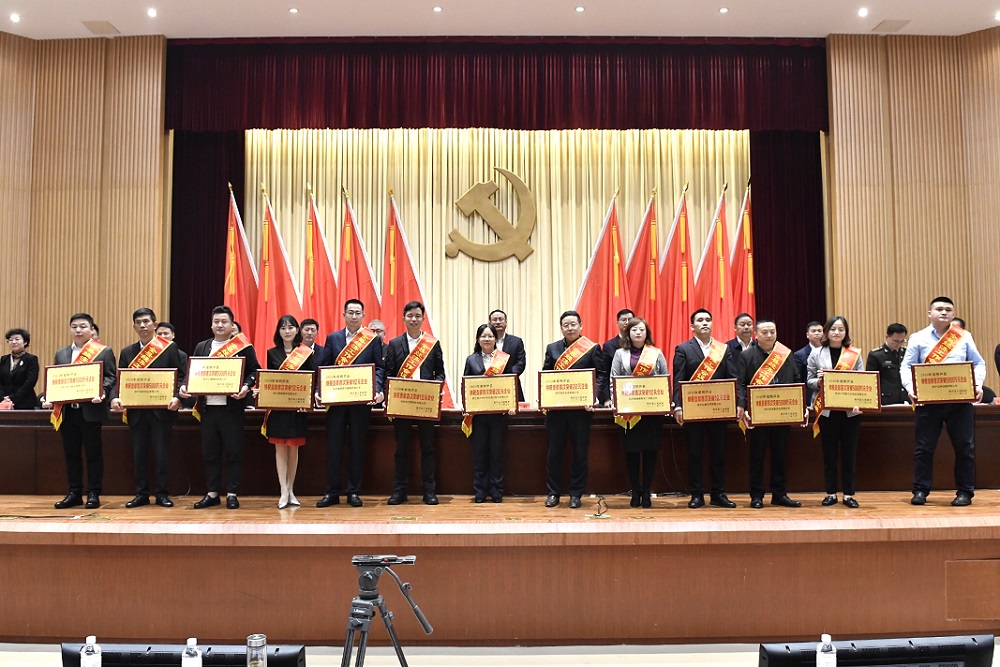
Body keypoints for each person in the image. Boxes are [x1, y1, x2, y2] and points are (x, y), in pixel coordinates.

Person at [901, 296, 985, 506]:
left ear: (953, 314)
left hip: (959, 403)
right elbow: (906, 367)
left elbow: (978, 363)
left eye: (948, 309)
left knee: (965, 448)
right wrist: (911, 389)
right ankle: (920, 490)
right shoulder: (918, 338)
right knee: (924, 448)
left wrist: (977, 385)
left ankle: (965, 492)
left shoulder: (964, 337)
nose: (944, 312)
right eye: (939, 309)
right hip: (928, 403)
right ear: (930, 313)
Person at [180, 305, 259, 510]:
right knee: (211, 453)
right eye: (216, 321)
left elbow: (254, 371)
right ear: (211, 325)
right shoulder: (202, 347)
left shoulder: (243, 347)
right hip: (208, 409)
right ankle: (212, 493)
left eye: (224, 321)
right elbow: (192, 372)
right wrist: (185, 386)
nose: (220, 325)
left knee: (234, 452)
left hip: (232, 409)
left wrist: (245, 387)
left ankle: (232, 493)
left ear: (232, 325)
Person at [110, 308, 186, 508]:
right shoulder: (127, 352)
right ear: (134, 326)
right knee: (139, 455)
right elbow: (120, 380)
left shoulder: (169, 348)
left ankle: (162, 494)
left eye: (146, 321)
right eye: (138, 322)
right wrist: (115, 398)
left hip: (162, 411)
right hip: (137, 412)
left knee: (162, 455)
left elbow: (180, 376)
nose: (142, 325)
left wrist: (177, 397)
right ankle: (141, 494)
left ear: (154, 324)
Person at [41, 313, 117, 510]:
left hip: (91, 410)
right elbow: (56, 379)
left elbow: (110, 377)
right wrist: (47, 395)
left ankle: (93, 493)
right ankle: (74, 493)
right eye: (74, 326)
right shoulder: (61, 353)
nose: (78, 330)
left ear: (91, 329)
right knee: (71, 454)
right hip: (68, 412)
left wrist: (102, 391)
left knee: (93, 454)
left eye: (83, 326)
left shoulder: (104, 351)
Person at [317, 300, 385, 508]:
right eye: (351, 312)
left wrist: (377, 390)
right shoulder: (333, 338)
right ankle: (332, 492)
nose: (354, 316)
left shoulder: (372, 339)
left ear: (363, 316)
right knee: (334, 447)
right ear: (344, 315)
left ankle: (353, 492)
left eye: (358, 313)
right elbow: (324, 367)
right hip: (336, 402)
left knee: (357, 447)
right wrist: (320, 391)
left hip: (360, 403)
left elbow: (379, 368)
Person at [672, 309, 737, 509]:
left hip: (718, 409)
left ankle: (718, 494)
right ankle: (697, 494)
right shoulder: (683, 348)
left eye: (708, 319)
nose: (705, 323)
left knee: (718, 453)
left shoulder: (723, 349)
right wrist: (678, 406)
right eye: (700, 320)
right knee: (695, 454)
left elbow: (732, 378)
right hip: (694, 410)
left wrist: (738, 403)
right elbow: (678, 380)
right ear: (692, 326)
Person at [383, 301, 445, 505]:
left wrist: (434, 388)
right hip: (402, 403)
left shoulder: (432, 343)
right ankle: (399, 491)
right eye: (410, 315)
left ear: (423, 319)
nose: (414, 319)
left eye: (418, 316)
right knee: (401, 449)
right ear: (403, 318)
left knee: (427, 448)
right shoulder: (394, 344)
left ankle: (429, 491)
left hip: (425, 403)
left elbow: (440, 372)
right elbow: (389, 373)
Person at [736, 317, 802, 509]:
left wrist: (800, 406)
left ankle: (779, 494)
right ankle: (756, 495)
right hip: (758, 415)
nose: (769, 335)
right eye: (764, 332)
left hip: (782, 413)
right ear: (756, 335)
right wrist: (743, 407)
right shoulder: (746, 356)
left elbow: (796, 379)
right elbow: (741, 383)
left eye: (772, 332)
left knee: (780, 455)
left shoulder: (785, 354)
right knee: (757, 456)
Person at [542, 310, 605, 509]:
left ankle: (576, 494)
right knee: (554, 453)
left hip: (581, 411)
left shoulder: (592, 348)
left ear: (580, 326)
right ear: (561, 328)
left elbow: (601, 375)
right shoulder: (552, 348)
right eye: (566, 325)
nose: (570, 328)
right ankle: (553, 493)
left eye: (573, 324)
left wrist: (594, 396)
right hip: (557, 411)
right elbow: (546, 375)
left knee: (580, 453)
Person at [806, 316, 864, 508]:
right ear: (826, 331)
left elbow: (862, 380)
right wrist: (819, 381)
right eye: (833, 329)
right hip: (827, 411)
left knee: (849, 454)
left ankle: (849, 494)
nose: (837, 332)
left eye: (841, 329)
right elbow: (809, 381)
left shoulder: (854, 354)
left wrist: (859, 402)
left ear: (846, 332)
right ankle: (830, 493)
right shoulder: (816, 353)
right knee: (829, 453)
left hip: (850, 411)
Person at [611, 317, 668, 508]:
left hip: (651, 412)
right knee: (632, 452)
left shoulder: (656, 353)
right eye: (634, 329)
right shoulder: (620, 353)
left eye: (642, 329)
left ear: (646, 333)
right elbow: (614, 379)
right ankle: (635, 491)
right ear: (628, 333)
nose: (638, 333)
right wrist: (616, 403)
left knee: (651, 452)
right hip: (630, 412)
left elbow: (664, 379)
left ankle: (647, 492)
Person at [262, 315, 316, 509]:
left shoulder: (305, 353)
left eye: (291, 327)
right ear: (278, 331)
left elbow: (311, 379)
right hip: (278, 409)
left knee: (294, 449)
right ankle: (283, 491)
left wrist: (306, 401)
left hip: (297, 409)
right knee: (280, 449)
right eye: (283, 328)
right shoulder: (272, 353)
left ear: (297, 330)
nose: (287, 331)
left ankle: (291, 489)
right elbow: (270, 380)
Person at [463, 323, 516, 503]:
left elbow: (510, 383)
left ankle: (496, 490)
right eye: (483, 336)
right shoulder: (471, 360)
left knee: (496, 454)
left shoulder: (504, 359)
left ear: (495, 339)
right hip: (478, 416)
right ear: (478, 339)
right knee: (479, 454)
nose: (487, 339)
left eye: (490, 336)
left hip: (498, 415)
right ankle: (480, 491)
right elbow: (466, 384)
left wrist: (511, 404)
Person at [488, 309, 527, 403]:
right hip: (490, 385)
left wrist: (505, 375)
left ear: (506, 322)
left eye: (500, 319)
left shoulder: (516, 341)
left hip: (511, 384)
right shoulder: (485, 341)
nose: (498, 322)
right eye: (495, 319)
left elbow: (520, 363)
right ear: (489, 322)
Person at [866, 323, 909, 406]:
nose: (898, 344)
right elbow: (871, 381)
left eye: (902, 341)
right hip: (886, 401)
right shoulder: (876, 355)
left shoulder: (906, 353)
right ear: (886, 337)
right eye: (895, 341)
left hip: (906, 400)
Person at [599, 309, 634, 406]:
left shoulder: (641, 345)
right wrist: (607, 398)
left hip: (639, 393)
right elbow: (604, 373)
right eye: (624, 320)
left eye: (630, 319)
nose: (627, 322)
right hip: (618, 394)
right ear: (617, 323)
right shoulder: (609, 345)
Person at [156, 322, 195, 409]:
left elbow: (184, 376)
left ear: (173, 335)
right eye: (159, 334)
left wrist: (177, 397)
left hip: (173, 399)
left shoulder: (181, 355)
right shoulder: (151, 356)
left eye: (166, 333)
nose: (162, 336)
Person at [1, 328, 39, 409]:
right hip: (4, 403)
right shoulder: (4, 359)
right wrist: (4, 397)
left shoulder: (31, 359)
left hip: (25, 403)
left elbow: (30, 382)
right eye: (10, 340)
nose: (13, 342)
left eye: (17, 339)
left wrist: (12, 398)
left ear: (25, 342)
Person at [793, 320, 824, 405]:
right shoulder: (799, 355)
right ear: (807, 335)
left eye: (819, 331)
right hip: (810, 398)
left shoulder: (829, 352)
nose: (817, 333)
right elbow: (799, 380)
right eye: (813, 331)